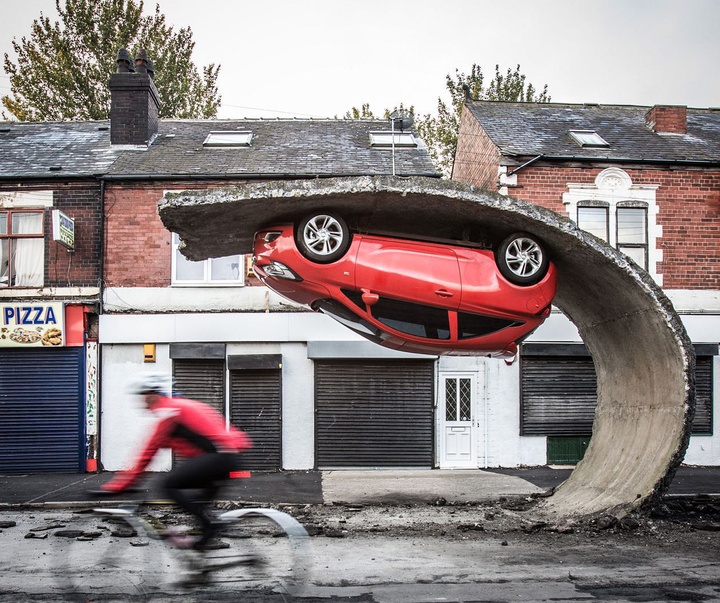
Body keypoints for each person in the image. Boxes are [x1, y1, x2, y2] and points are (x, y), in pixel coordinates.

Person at [100, 372, 252, 550]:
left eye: (143, 396)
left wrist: (117, 487)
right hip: (229, 458)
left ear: (152, 394)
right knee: (198, 505)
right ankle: (203, 563)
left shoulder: (169, 412)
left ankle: (210, 528)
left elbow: (147, 454)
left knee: (167, 485)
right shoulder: (183, 407)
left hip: (218, 458)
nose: (141, 401)